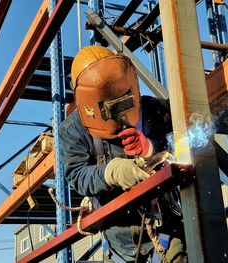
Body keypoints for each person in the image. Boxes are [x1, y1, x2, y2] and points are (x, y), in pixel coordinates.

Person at [59, 46, 187, 262]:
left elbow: (183, 143)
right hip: (120, 242)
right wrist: (111, 172)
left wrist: (151, 148)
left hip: (167, 229)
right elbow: (76, 175)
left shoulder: (153, 109)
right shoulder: (71, 130)